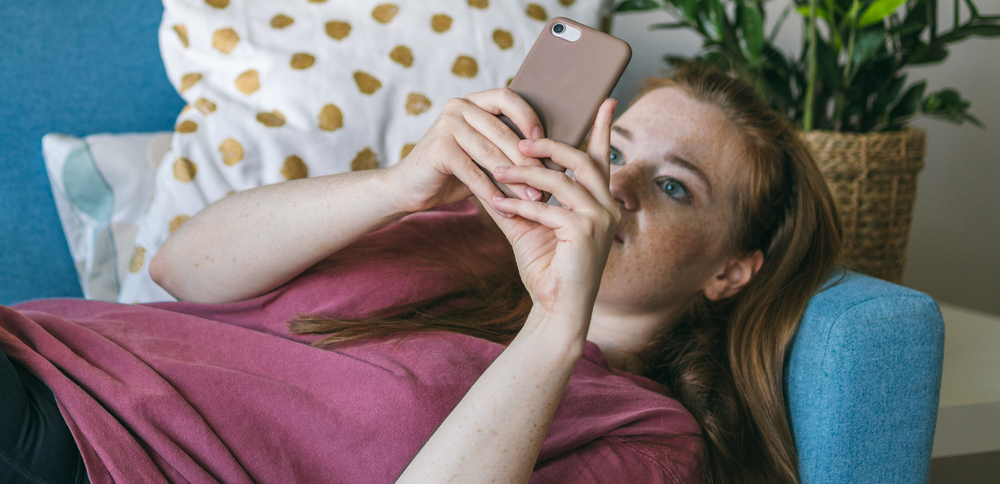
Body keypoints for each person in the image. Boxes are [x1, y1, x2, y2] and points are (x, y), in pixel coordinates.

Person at [0, 64, 839, 484]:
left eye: (671, 186)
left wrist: (557, 321)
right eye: (611, 151)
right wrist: (398, 184)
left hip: (85, 447)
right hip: (35, 345)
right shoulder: (455, 234)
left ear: (730, 270)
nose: (613, 187)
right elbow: (182, 268)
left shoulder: (651, 434)